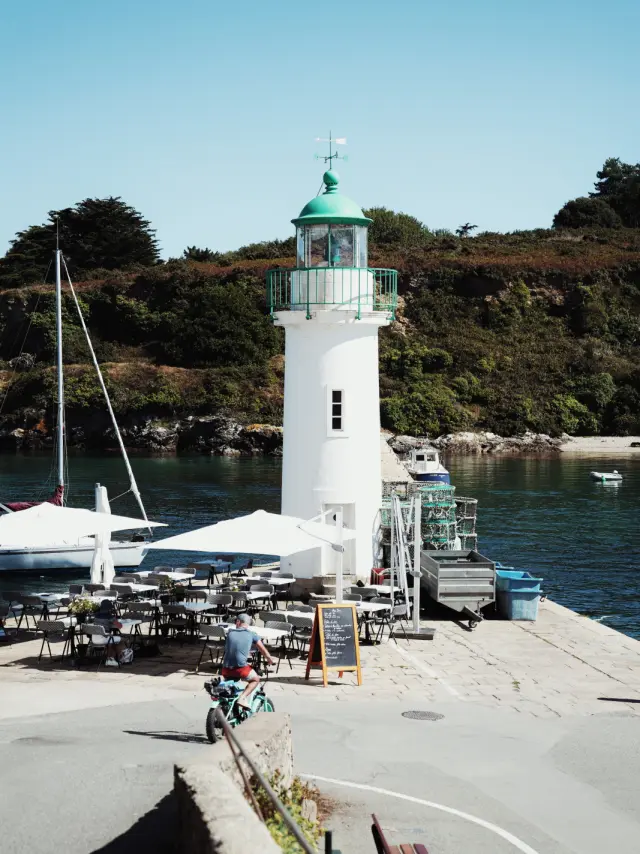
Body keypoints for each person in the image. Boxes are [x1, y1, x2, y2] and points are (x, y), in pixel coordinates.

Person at [221, 613, 274, 709]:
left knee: (233, 687)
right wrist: (269, 659)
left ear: (238, 622)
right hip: (240, 668)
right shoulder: (252, 635)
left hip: (225, 669)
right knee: (255, 679)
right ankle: (243, 697)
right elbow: (262, 649)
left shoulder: (229, 632)